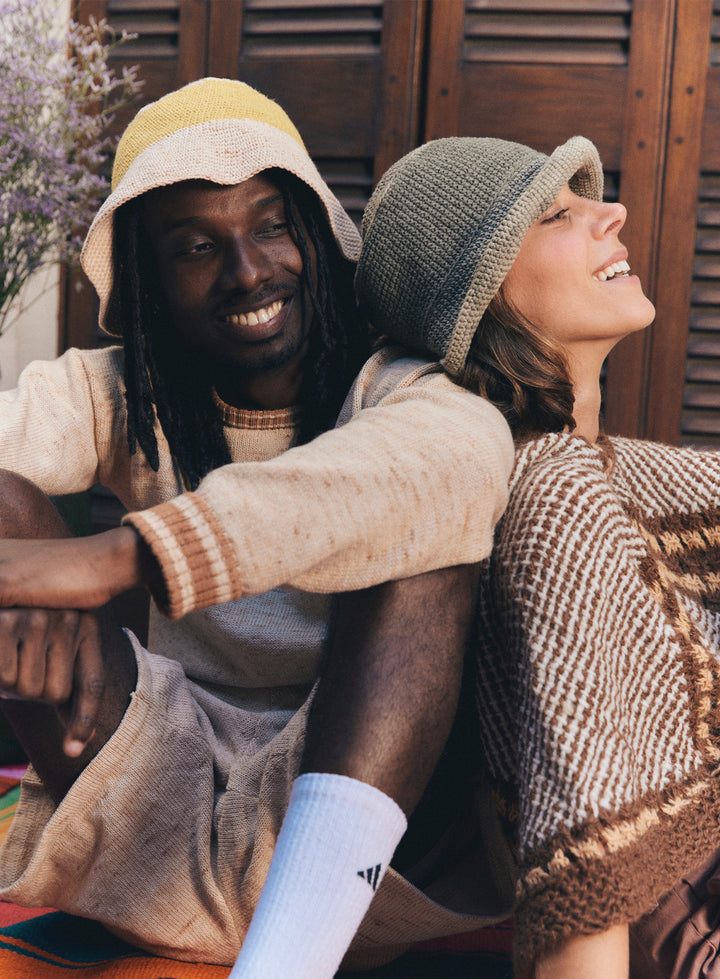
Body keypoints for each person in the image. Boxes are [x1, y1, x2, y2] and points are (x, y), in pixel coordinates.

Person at [0, 79, 516, 975]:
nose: (248, 271)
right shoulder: (117, 391)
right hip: (155, 809)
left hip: (350, 838)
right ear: (150, 278)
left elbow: (465, 458)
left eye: (271, 226)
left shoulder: (395, 387)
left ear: (315, 236)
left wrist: (111, 559)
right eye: (197, 246)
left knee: (424, 533)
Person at [355, 134, 720, 978]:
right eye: (558, 214)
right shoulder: (551, 495)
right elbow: (590, 847)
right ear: (478, 301)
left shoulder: (613, 473)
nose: (613, 213)